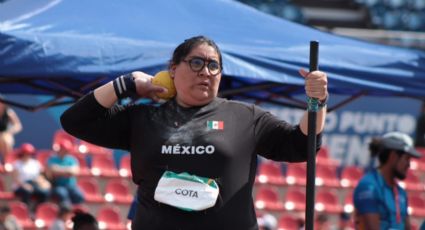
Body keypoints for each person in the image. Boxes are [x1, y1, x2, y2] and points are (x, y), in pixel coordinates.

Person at [60, 35, 328, 229]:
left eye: (214, 66)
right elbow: (75, 121)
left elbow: (302, 144)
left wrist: (318, 101)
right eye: (197, 62)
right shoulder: (144, 117)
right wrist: (126, 84)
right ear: (173, 70)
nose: (206, 72)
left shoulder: (245, 117)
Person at [353, 132, 422, 230]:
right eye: (407, 159)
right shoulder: (369, 187)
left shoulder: (401, 193)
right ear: (393, 156)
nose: (409, 165)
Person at [11, 143, 50, 211]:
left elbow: (40, 175)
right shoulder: (17, 164)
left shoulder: (35, 163)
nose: (27, 155)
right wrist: (24, 185)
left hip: (33, 185)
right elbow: (15, 178)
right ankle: (25, 212)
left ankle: (37, 211)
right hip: (20, 186)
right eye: (25, 153)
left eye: (29, 153)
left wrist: (43, 182)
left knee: (44, 192)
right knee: (27, 192)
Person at [45, 140, 84, 206]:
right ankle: (66, 212)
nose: (64, 151)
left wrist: (58, 170)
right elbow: (50, 171)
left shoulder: (72, 159)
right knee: (62, 194)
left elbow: (75, 171)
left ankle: (74, 212)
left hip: (71, 186)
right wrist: (68, 171)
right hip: (58, 185)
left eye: (66, 150)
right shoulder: (52, 159)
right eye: (63, 149)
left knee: (79, 195)